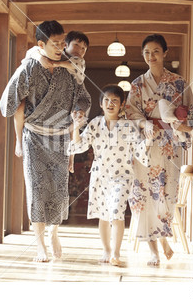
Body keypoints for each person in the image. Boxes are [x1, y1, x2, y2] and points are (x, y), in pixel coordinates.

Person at [0, 21, 91, 262]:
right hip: (34, 137)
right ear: (41, 44)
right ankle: (39, 244)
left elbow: (83, 98)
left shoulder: (69, 68)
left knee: (60, 189)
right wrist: (19, 106)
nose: (61, 47)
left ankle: (54, 233)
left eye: (63, 43)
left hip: (60, 138)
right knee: (37, 189)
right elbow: (6, 105)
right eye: (55, 44)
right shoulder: (29, 67)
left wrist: (80, 111)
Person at [125, 34, 193, 266]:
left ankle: (163, 240)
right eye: (147, 52)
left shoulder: (179, 82)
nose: (151, 56)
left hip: (169, 144)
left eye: (156, 51)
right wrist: (145, 122)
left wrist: (180, 121)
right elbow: (130, 112)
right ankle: (154, 251)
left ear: (165, 53)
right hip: (145, 145)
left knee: (165, 194)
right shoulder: (138, 84)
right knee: (141, 195)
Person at [68, 85, 150, 266]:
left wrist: (149, 140)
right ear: (101, 103)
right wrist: (75, 128)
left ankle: (116, 253)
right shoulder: (95, 123)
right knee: (103, 216)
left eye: (115, 100)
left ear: (121, 105)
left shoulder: (128, 126)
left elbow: (139, 150)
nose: (110, 103)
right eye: (106, 100)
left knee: (116, 213)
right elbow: (80, 146)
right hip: (99, 176)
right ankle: (106, 250)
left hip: (122, 176)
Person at [14, 31, 90, 174]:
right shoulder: (48, 55)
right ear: (65, 45)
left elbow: (74, 66)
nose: (80, 50)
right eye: (77, 45)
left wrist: (54, 63)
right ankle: (18, 141)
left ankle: (71, 157)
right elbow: (32, 51)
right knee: (19, 106)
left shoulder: (78, 61)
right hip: (43, 104)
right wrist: (41, 57)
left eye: (84, 49)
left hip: (70, 99)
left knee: (75, 122)